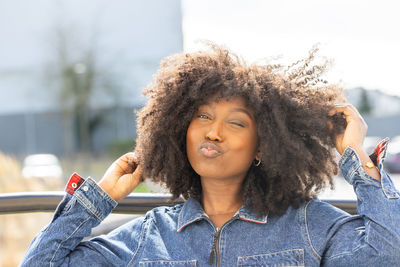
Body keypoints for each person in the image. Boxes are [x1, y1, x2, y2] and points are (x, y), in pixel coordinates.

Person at [21, 44, 400, 266]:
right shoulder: (149, 236)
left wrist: (355, 157)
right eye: (202, 116)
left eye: (235, 123)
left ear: (264, 146)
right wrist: (97, 200)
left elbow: (389, 251)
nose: (213, 131)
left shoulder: (308, 224)